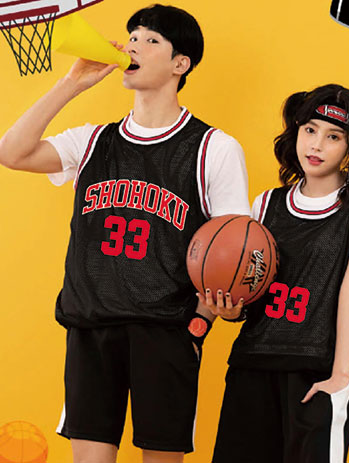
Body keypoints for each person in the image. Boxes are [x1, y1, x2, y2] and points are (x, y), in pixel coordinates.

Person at [0, 4, 250, 463]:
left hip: (167, 331)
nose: (134, 44)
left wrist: (199, 325)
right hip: (90, 327)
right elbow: (11, 152)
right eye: (132, 36)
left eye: (151, 40)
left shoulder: (213, 148)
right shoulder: (92, 141)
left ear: (180, 64)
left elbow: (235, 250)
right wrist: (72, 82)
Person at [199, 84, 349, 463]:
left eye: (333, 136)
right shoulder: (266, 204)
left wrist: (341, 376)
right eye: (310, 130)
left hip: (318, 366)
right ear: (296, 132)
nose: (317, 145)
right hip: (253, 362)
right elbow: (251, 289)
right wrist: (232, 310)